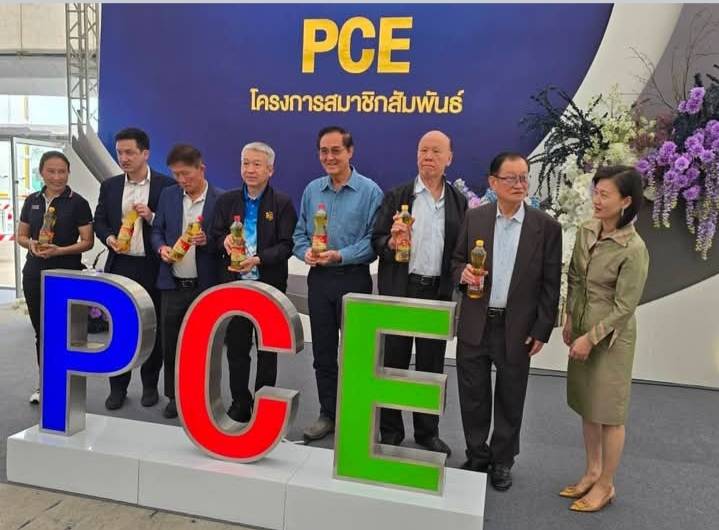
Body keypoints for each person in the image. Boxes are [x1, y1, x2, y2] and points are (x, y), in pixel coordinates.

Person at [451, 152, 562, 491]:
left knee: (510, 396)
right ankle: (477, 453)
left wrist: (542, 329)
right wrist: (463, 273)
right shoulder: (476, 218)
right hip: (476, 321)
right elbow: (456, 261)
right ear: (493, 182)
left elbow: (550, 284)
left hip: (517, 327)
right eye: (511, 178)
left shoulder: (546, 227)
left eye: (523, 177)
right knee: (473, 393)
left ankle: (502, 460)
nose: (519, 184)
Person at [371, 130, 467, 455]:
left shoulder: (458, 202)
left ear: (449, 158)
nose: (428, 156)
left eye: (436, 151)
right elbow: (376, 241)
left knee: (430, 365)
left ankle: (427, 432)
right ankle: (390, 429)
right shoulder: (397, 195)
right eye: (423, 150)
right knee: (393, 361)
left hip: (436, 293)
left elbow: (460, 251)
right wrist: (391, 241)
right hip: (401, 289)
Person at [560, 166, 649, 512]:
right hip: (581, 327)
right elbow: (574, 277)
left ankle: (606, 484)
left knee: (609, 413)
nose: (596, 200)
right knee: (588, 405)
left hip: (611, 340)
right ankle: (592, 472)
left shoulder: (634, 248)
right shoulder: (587, 230)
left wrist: (590, 338)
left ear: (626, 201)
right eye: (595, 192)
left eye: (605, 195)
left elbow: (625, 307)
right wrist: (569, 318)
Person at [293, 126, 383, 441]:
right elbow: (299, 234)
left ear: (350, 152)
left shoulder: (370, 191)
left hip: (353, 278)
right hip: (319, 280)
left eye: (336, 151)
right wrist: (304, 252)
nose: (329, 157)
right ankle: (328, 414)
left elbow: (373, 242)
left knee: (357, 353)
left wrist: (340, 255)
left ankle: (356, 415)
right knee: (323, 353)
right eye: (324, 151)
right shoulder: (312, 190)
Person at [211, 141, 297, 422]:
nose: (250, 169)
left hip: (268, 287)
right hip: (235, 286)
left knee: (267, 350)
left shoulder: (281, 203)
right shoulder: (226, 201)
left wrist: (258, 259)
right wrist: (223, 241)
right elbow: (214, 236)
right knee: (236, 348)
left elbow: (287, 245)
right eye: (245, 163)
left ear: (270, 170)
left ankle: (263, 402)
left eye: (256, 164)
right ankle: (240, 401)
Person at [94, 127, 175, 410]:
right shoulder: (110, 185)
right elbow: (99, 221)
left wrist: (151, 216)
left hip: (153, 266)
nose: (124, 158)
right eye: (120, 153)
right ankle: (118, 387)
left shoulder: (166, 186)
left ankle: (150, 385)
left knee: (154, 329)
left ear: (145, 153)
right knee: (120, 328)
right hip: (121, 266)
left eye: (129, 152)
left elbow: (172, 226)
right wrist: (109, 238)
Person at [16, 151, 94, 403]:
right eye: (51, 171)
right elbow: (21, 235)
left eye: (62, 172)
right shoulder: (32, 201)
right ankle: (45, 385)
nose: (57, 177)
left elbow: (87, 241)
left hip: (66, 275)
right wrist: (31, 244)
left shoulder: (78, 202)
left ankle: (68, 385)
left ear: (68, 173)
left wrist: (60, 250)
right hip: (34, 274)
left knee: (65, 332)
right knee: (42, 331)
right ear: (42, 172)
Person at [151, 144, 221, 418]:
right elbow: (156, 230)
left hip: (205, 286)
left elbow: (227, 240)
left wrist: (208, 241)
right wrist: (161, 248)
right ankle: (173, 396)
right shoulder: (169, 195)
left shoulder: (220, 199)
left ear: (201, 169)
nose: (181, 180)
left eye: (186, 174)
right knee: (171, 344)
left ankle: (203, 396)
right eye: (176, 174)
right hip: (173, 284)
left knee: (204, 347)